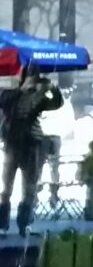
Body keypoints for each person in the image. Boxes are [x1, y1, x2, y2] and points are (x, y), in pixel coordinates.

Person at [0, 67, 63, 239]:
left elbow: (56, 104)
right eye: (30, 77)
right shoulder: (10, 95)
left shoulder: (38, 97)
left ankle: (24, 224)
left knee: (29, 188)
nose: (33, 81)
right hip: (13, 144)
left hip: (31, 145)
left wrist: (52, 89)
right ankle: (2, 225)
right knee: (6, 188)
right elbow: (3, 101)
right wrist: (22, 90)